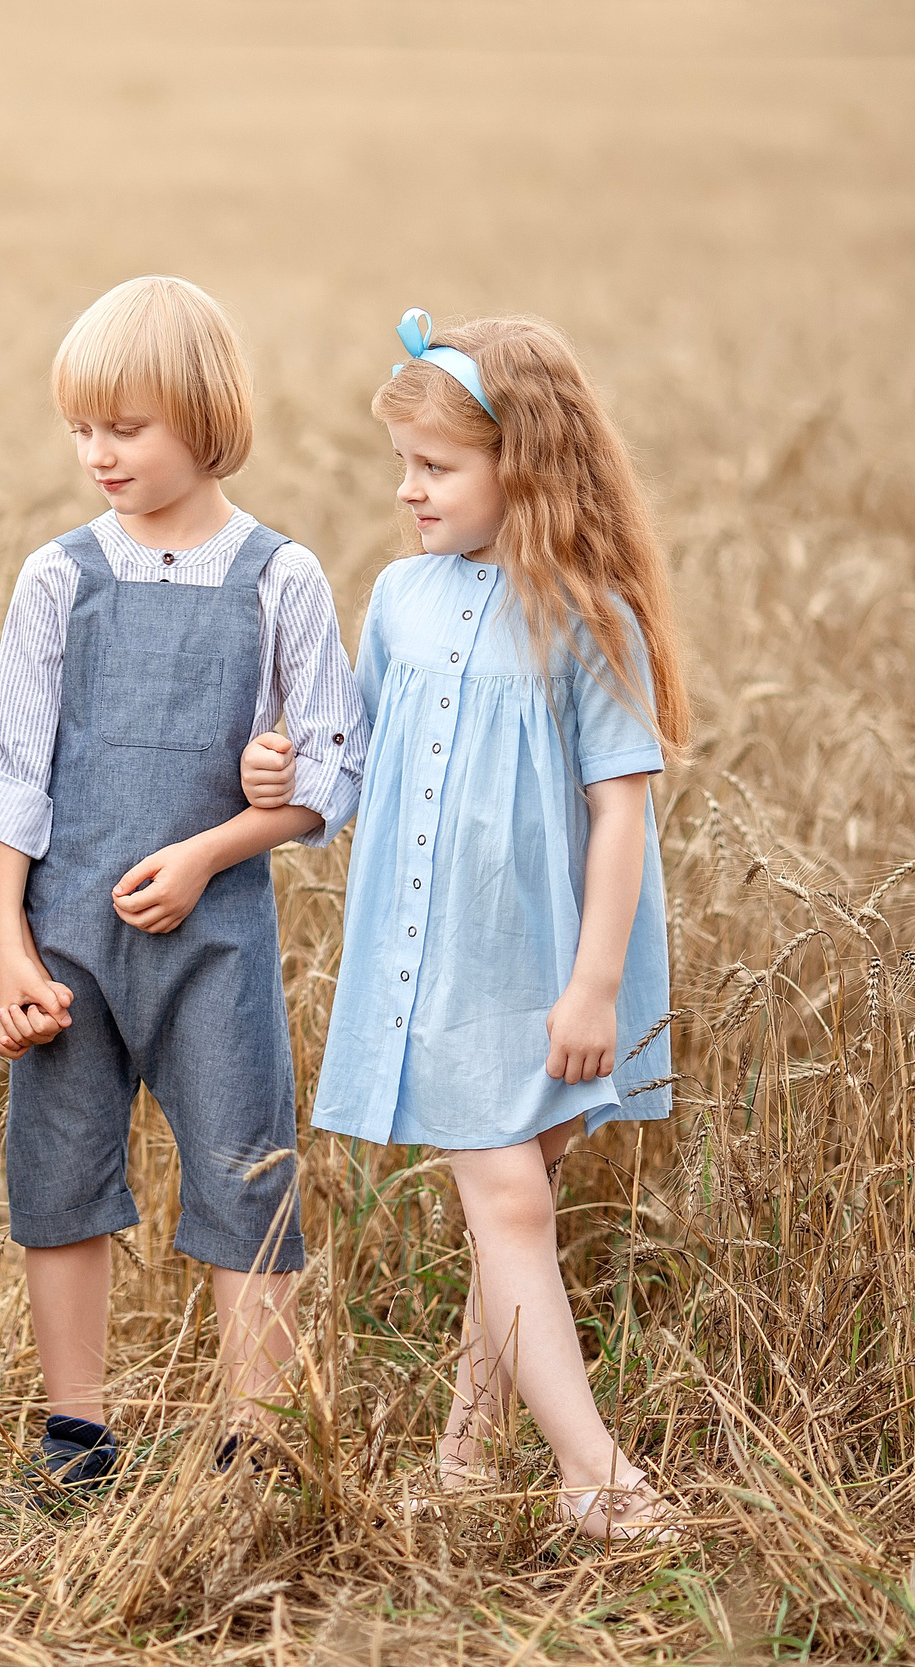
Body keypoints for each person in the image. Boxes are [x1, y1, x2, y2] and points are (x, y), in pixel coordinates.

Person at [244, 310, 688, 1541]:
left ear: (523, 466)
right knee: (510, 1208)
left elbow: (620, 814)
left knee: (512, 1211)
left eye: (435, 467)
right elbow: (355, 757)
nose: (407, 490)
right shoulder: (399, 596)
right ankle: (595, 1477)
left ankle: (463, 1464)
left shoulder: (591, 616)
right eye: (403, 464)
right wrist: (283, 772)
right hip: (430, 960)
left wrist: (593, 987)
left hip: (550, 961)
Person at [0, 277, 368, 1501]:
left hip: (217, 942)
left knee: (246, 1167)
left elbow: (332, 776)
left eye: (126, 428)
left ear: (204, 420)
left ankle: (256, 1441)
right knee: (59, 1173)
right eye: (81, 429)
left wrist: (213, 848)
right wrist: (7, 948)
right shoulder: (58, 578)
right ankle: (75, 1430)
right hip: (66, 942)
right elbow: (11, 776)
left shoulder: (279, 577)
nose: (98, 454)